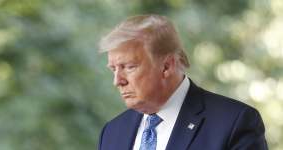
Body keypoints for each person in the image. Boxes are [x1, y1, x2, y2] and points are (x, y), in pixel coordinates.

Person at [97, 14, 268, 150]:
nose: (117, 81)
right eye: (114, 69)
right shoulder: (112, 132)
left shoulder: (234, 123)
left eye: (129, 67)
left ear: (166, 66)